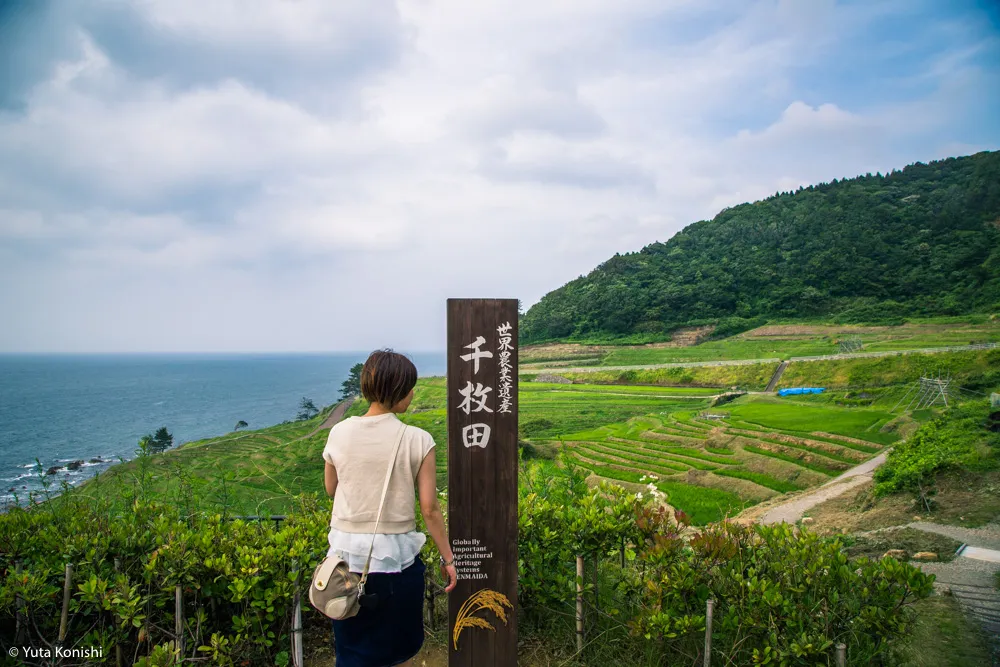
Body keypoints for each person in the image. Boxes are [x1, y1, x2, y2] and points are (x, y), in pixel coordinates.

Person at [322, 349, 458, 667]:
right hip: (396, 563)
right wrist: (447, 558)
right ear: (398, 392)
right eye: (410, 387)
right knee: (397, 652)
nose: (412, 394)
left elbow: (331, 488)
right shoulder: (418, 439)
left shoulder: (339, 432)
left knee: (352, 652)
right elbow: (429, 509)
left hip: (343, 564)